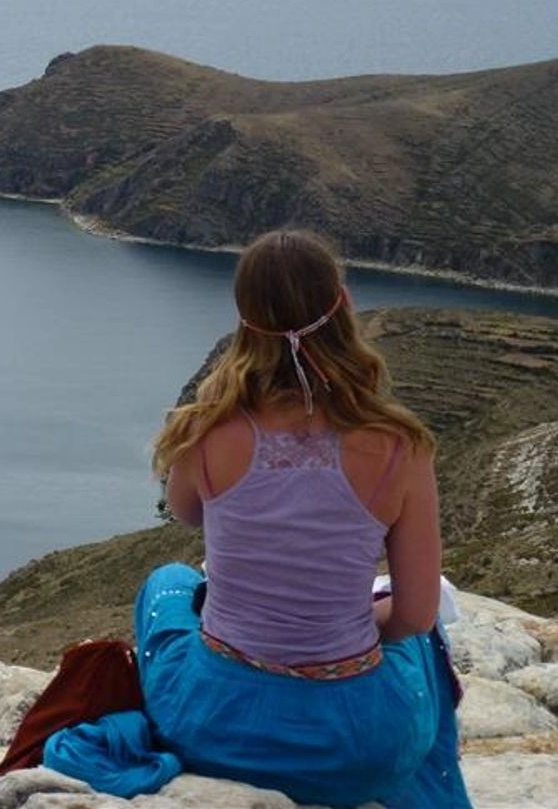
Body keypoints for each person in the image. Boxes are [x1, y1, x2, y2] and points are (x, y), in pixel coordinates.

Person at [137, 230, 470, 807]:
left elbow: (186, 513)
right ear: (341, 304)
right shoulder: (398, 446)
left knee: (167, 584)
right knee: (425, 637)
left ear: (243, 317)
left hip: (215, 729)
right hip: (357, 748)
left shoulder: (208, 427)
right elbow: (414, 614)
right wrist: (348, 628)